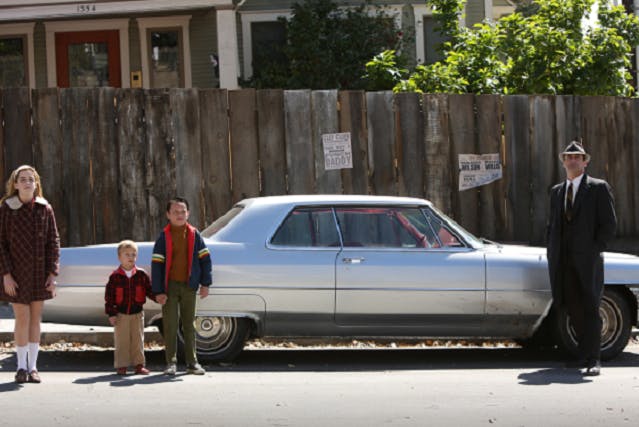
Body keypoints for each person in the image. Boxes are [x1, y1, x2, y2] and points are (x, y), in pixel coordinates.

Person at [546, 141, 617, 376]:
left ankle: (595, 359)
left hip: (588, 261)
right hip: (563, 261)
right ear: (563, 161)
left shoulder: (598, 188)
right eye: (568, 157)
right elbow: (552, 225)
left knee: (590, 307)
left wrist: (594, 250)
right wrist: (552, 250)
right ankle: (583, 355)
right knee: (571, 307)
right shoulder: (557, 191)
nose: (572, 160)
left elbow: (609, 225)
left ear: (585, 162)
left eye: (577, 157)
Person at [0, 165, 60, 384]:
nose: (27, 183)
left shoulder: (45, 208)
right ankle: (21, 367)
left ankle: (33, 367)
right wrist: (6, 274)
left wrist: (52, 273)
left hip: (39, 273)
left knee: (35, 318)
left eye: (31, 179)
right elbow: (1, 243)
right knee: (22, 318)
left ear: (36, 184)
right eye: (23, 179)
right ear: (15, 184)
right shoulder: (6, 208)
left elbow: (53, 241)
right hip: (15, 274)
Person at [152, 197, 212, 375]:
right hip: (169, 287)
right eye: (175, 212)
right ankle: (171, 363)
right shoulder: (164, 237)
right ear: (168, 215)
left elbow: (205, 260)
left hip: (189, 286)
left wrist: (205, 283)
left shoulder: (194, 235)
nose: (179, 215)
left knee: (189, 325)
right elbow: (157, 265)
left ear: (188, 213)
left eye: (183, 211)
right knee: (170, 325)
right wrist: (158, 291)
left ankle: (192, 363)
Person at [105, 240, 155, 375]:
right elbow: (109, 297)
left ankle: (139, 365)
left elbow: (149, 291)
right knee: (122, 341)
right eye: (127, 254)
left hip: (137, 314)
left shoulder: (141, 275)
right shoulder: (115, 277)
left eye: (133, 254)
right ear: (119, 257)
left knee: (138, 340)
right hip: (121, 314)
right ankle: (122, 365)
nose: (131, 257)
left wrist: (159, 298)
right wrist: (111, 314)